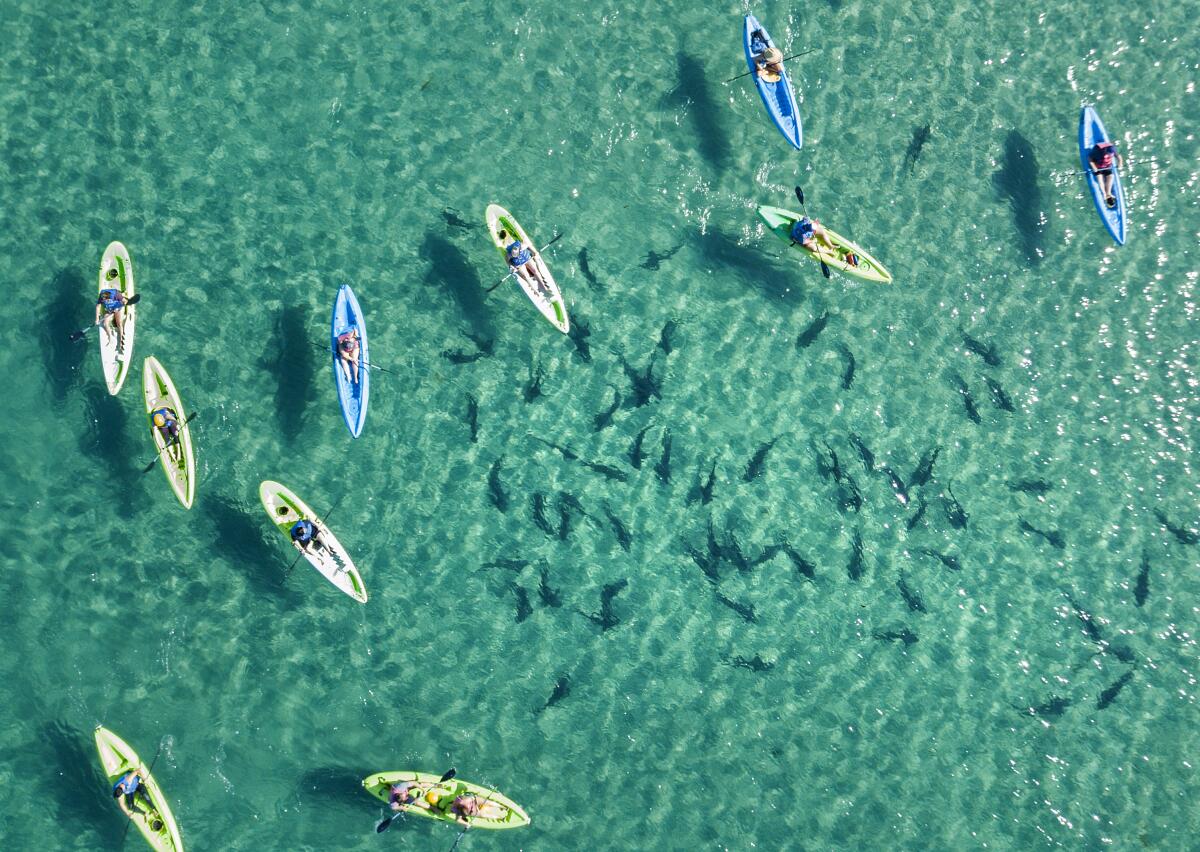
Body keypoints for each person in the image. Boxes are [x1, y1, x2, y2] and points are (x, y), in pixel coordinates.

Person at [498, 229, 550, 297]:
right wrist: (511, 267)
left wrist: (534, 252)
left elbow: (528, 244)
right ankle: (536, 291)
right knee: (526, 276)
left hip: (526, 258)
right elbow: (508, 261)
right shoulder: (509, 254)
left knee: (535, 270)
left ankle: (544, 287)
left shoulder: (522, 246)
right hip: (519, 263)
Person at [95, 268, 128, 351]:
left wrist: (122, 304)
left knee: (119, 323)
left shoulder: (116, 294)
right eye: (105, 300)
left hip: (117, 309)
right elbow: (98, 306)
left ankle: (120, 341)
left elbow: (124, 301)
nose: (105, 301)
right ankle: (110, 338)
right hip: (109, 311)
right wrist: (97, 319)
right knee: (105, 323)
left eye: (108, 300)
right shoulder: (102, 295)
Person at [1088, 139, 1124, 208]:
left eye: (1110, 155)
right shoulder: (1097, 151)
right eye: (1107, 155)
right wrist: (1094, 167)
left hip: (1107, 166)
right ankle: (1104, 193)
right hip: (1098, 166)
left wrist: (1120, 163)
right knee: (1099, 177)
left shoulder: (1112, 149)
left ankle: (1108, 193)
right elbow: (1090, 158)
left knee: (1111, 176)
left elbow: (1118, 156)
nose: (1109, 156)